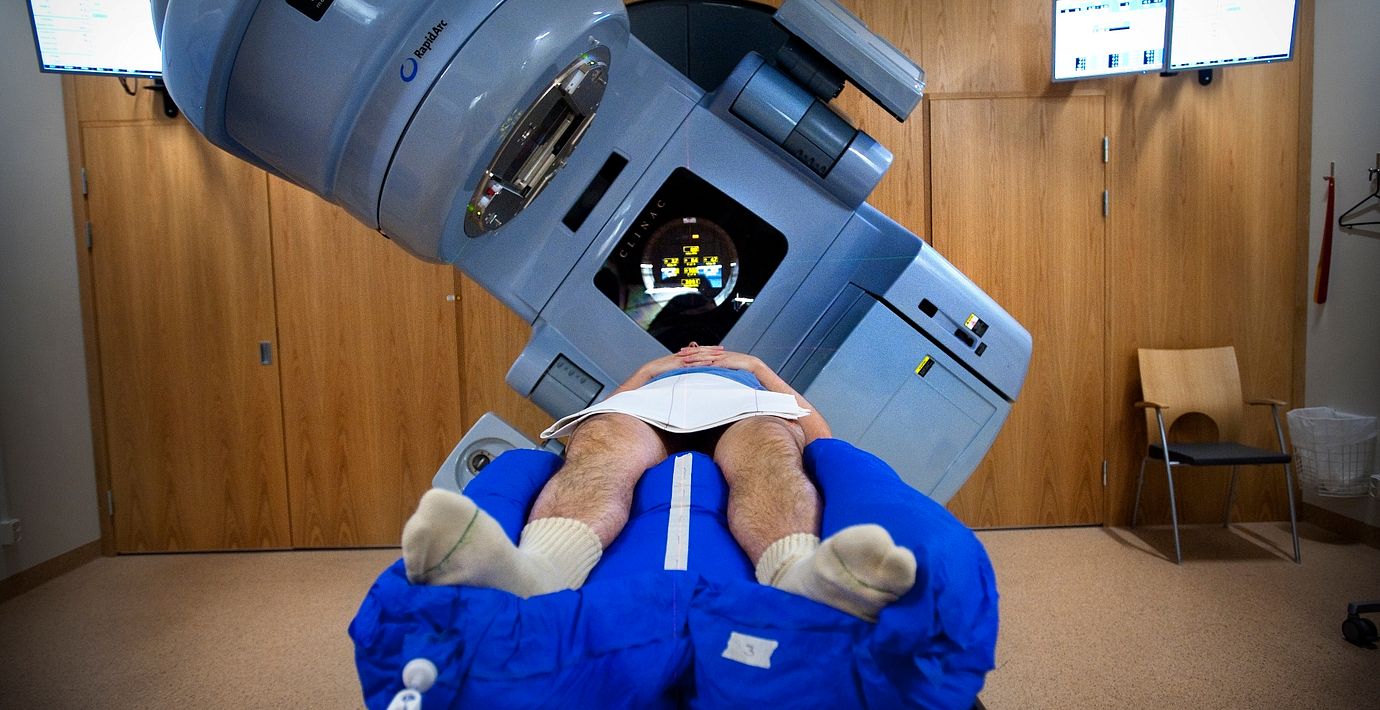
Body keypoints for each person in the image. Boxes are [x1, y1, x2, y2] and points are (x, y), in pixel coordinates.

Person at [401, 345, 917, 622]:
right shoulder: (651, 381)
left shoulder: (746, 377)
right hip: (645, 416)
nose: (697, 352)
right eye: (688, 349)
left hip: (741, 413)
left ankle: (797, 576)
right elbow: (584, 431)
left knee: (770, 445)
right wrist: (650, 370)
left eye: (708, 349)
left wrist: (755, 366)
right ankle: (540, 572)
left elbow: (819, 436)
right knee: (599, 439)